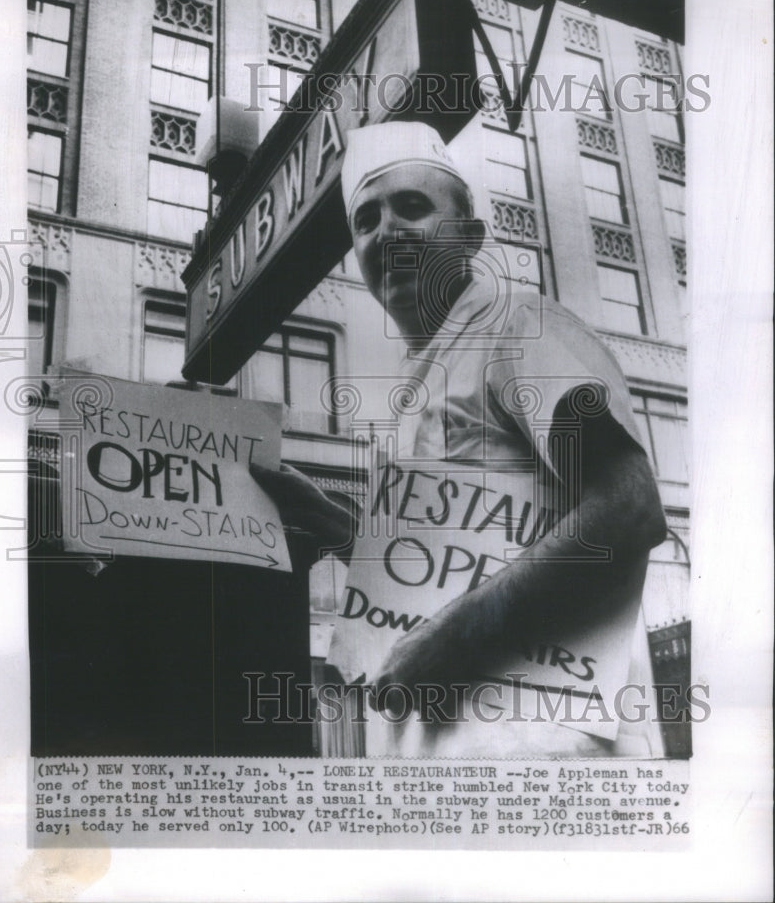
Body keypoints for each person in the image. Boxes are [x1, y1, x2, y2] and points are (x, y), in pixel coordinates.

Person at [252, 121, 666, 757]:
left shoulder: (519, 326)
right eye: (365, 220)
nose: (386, 230)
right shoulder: (414, 382)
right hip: (440, 776)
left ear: (470, 237)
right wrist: (331, 520)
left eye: (412, 207)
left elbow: (628, 507)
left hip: (544, 767)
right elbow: (448, 562)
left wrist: (451, 638)